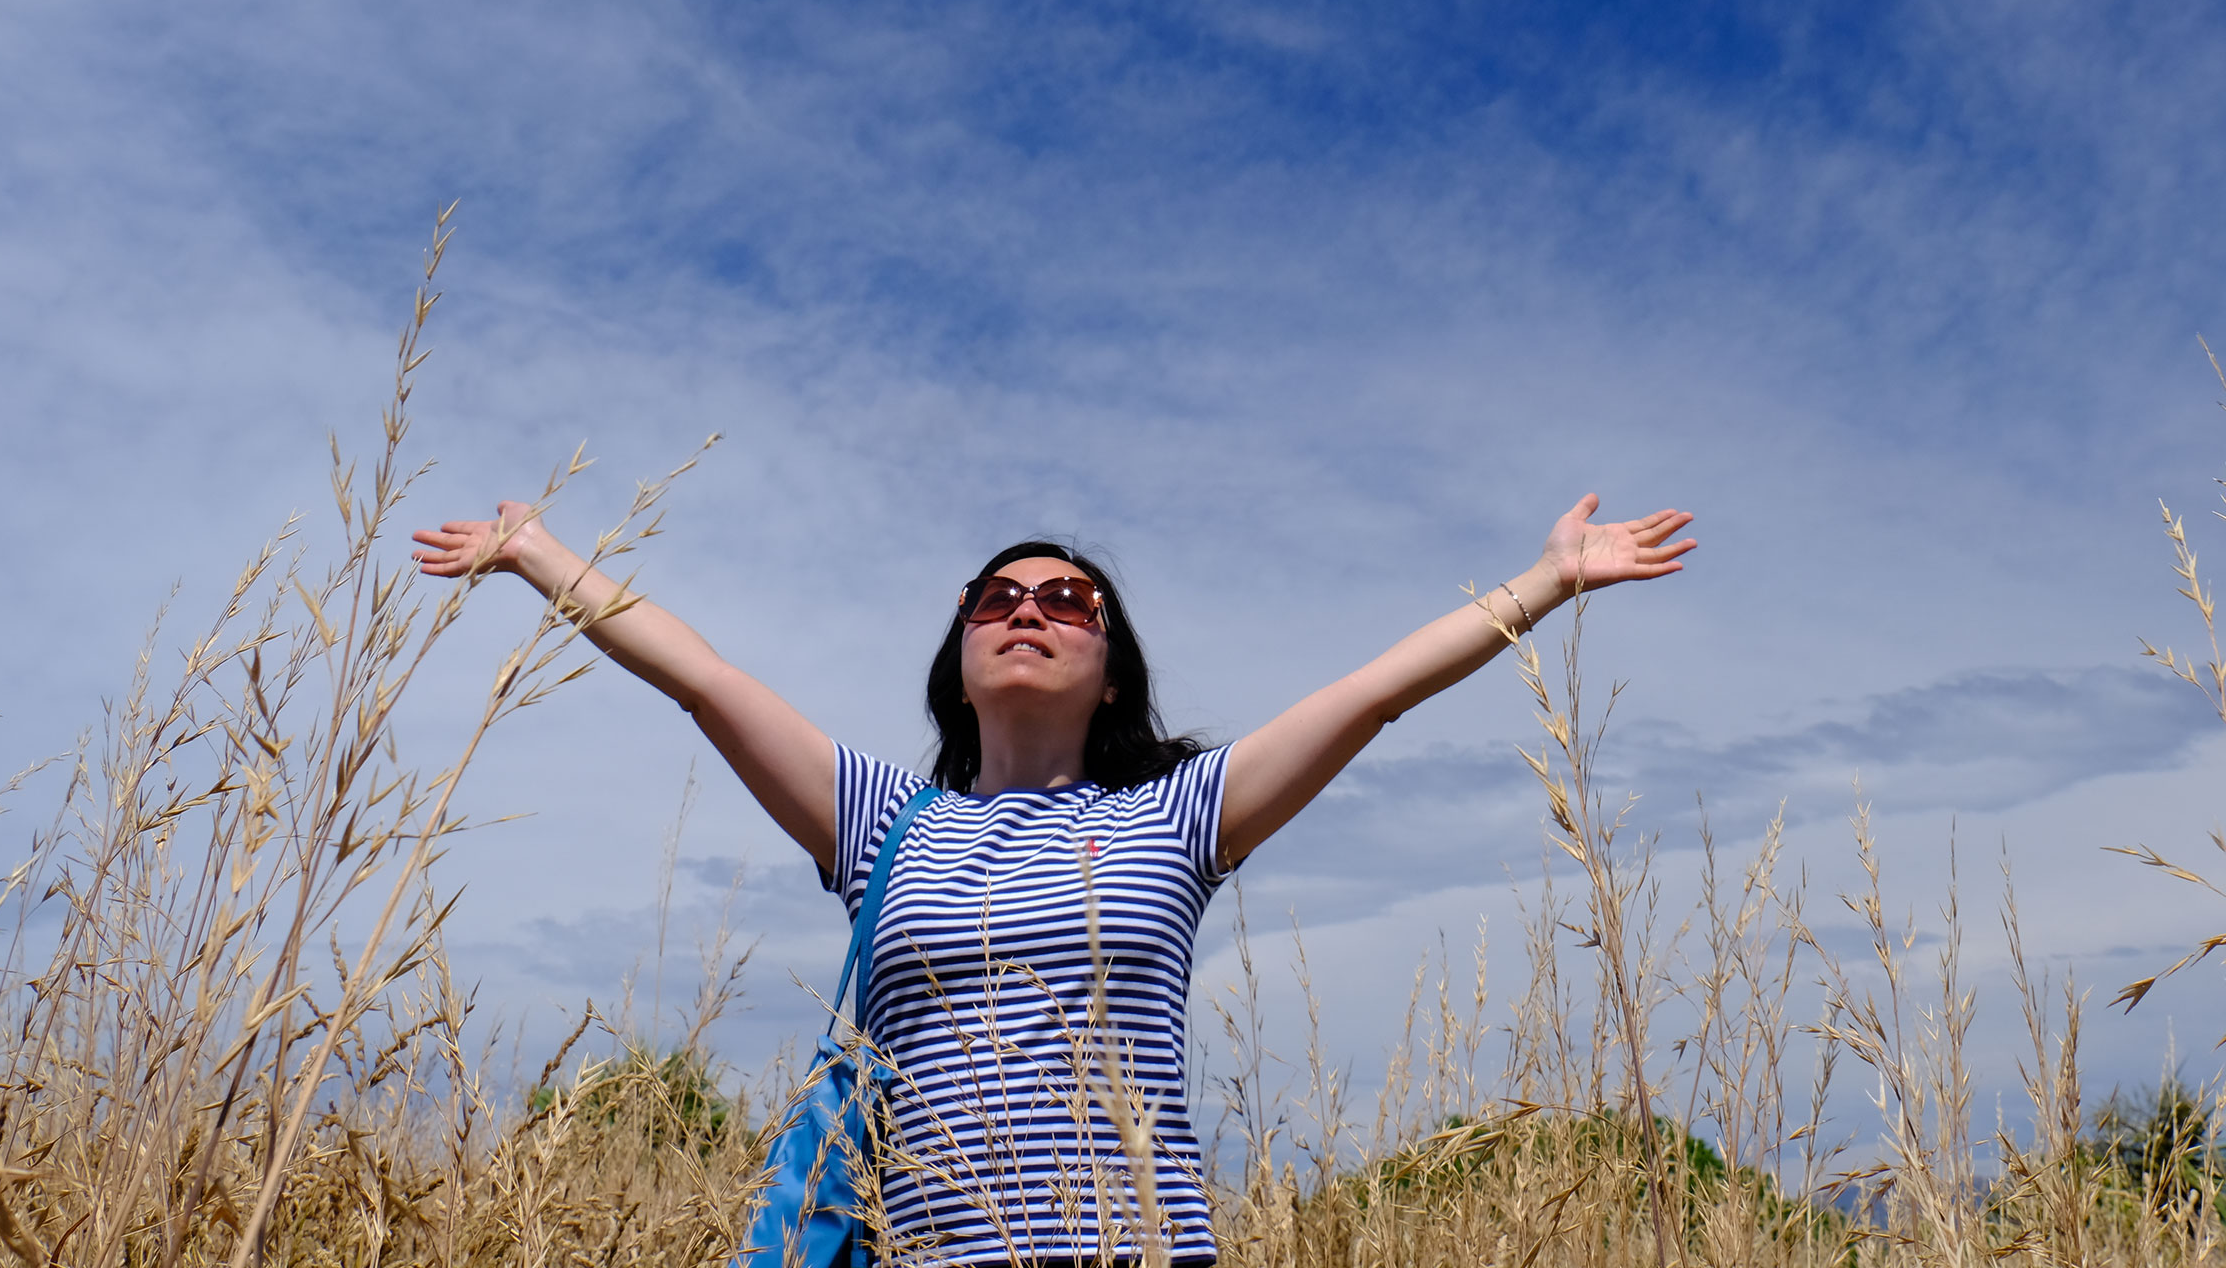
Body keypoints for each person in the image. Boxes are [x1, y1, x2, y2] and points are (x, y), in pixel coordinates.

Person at [411, 492, 1695, 1267]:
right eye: (997, 596)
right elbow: (704, 675)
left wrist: (1550, 580)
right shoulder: (875, 821)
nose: (1029, 608)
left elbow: (1372, 690)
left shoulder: (1179, 814)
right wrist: (541, 553)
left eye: (1068, 598)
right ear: (958, 652)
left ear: (1114, 666)